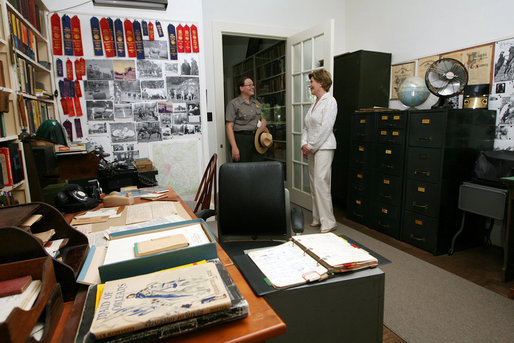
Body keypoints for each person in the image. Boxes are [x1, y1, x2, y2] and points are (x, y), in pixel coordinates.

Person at [301, 69, 337, 233]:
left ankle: (328, 221)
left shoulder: (330, 101)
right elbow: (306, 126)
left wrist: (311, 145)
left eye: (312, 82)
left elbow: (326, 127)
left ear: (321, 82)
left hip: (324, 147)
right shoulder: (313, 103)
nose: (309, 85)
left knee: (321, 183)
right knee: (314, 183)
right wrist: (304, 143)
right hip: (312, 148)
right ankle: (317, 217)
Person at [225, 77, 266, 162]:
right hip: (241, 140)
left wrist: (263, 121)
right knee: (243, 170)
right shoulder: (233, 104)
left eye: (253, 85)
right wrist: (234, 147)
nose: (253, 87)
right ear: (241, 88)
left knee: (258, 167)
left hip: (257, 139)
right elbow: (229, 126)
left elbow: (262, 118)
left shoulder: (256, 103)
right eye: (249, 85)